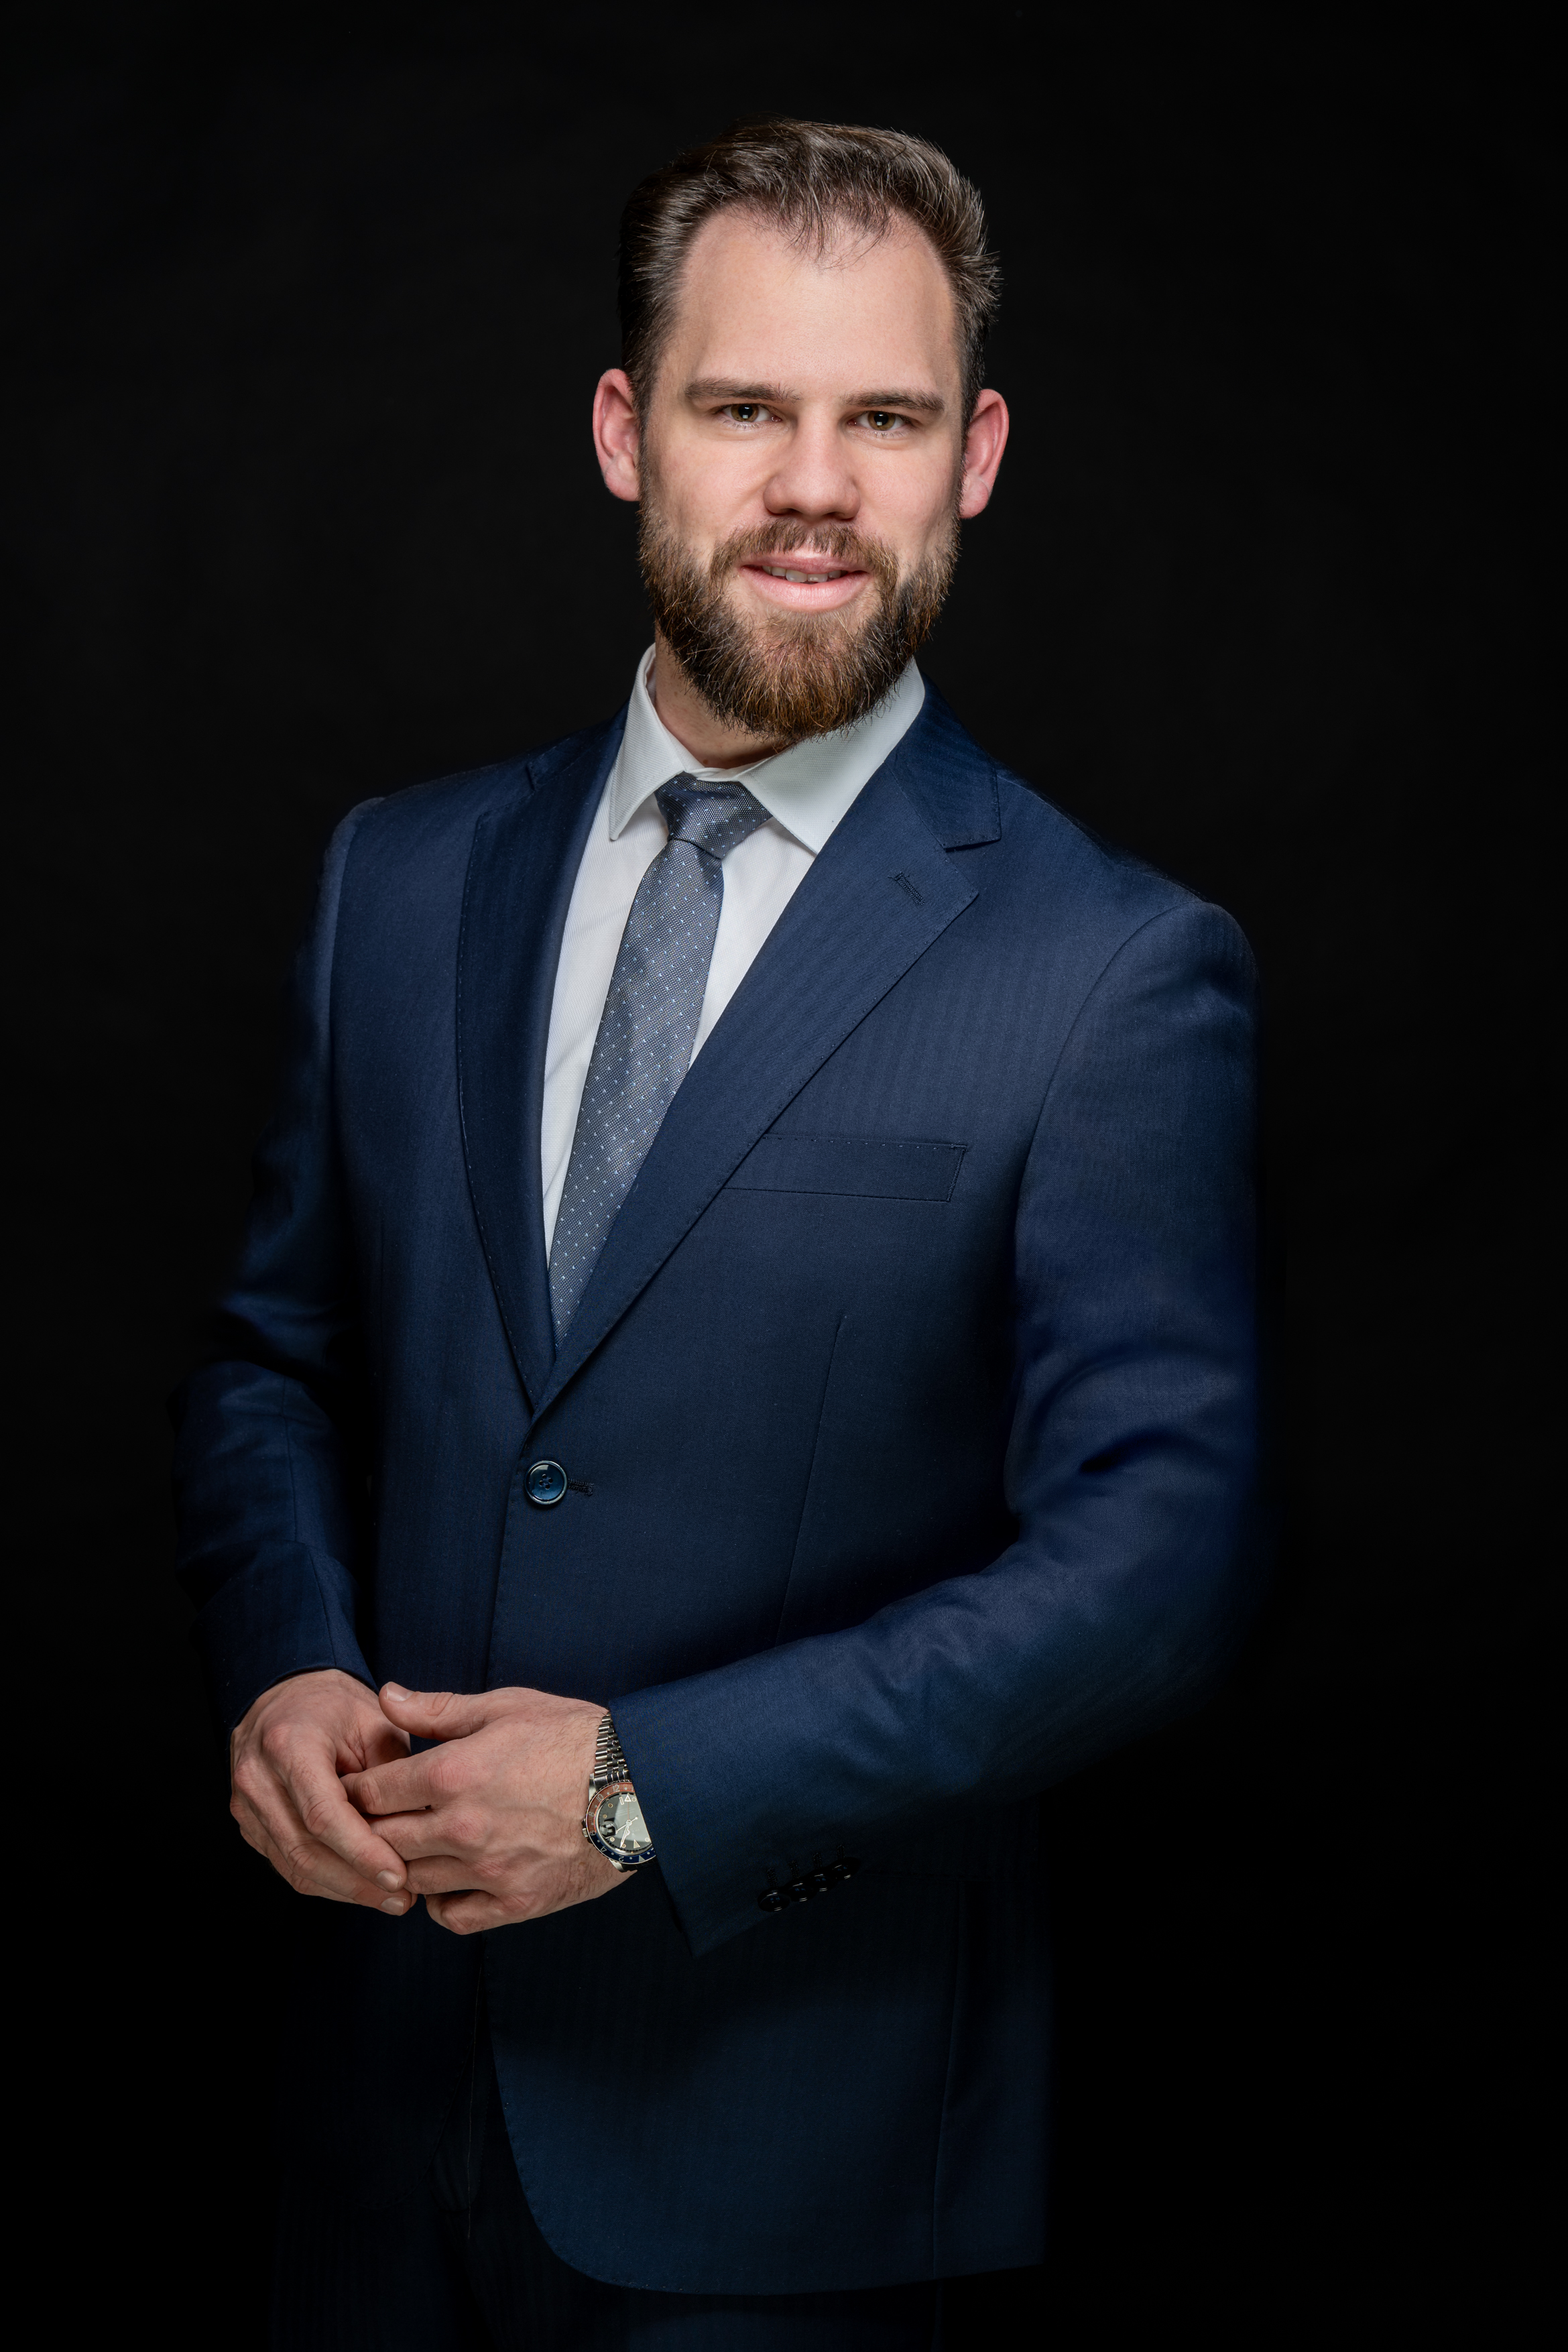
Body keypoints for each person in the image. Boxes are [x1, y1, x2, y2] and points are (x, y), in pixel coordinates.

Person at [174, 118, 1259, 2351]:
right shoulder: (401, 877)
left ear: (971, 457)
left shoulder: (1109, 966)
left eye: (877, 419)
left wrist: (652, 1791)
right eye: (744, 405)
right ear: (622, 432)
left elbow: (1154, 1555)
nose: (809, 483)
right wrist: (281, 1653)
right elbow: (277, 1355)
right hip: (368, 2120)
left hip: (799, 2170)